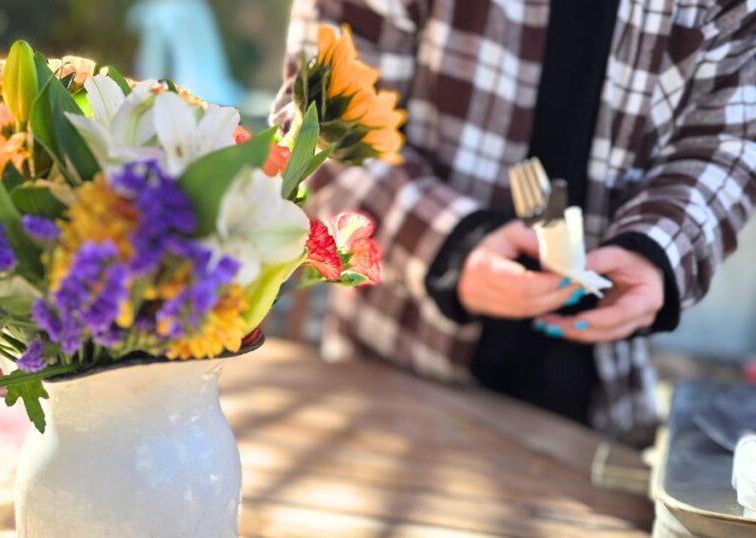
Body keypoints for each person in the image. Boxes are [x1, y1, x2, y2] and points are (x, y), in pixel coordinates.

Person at [272, 0, 756, 445]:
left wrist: (657, 250)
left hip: (598, 411)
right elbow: (315, 127)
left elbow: (731, 140)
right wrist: (453, 247)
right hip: (394, 377)